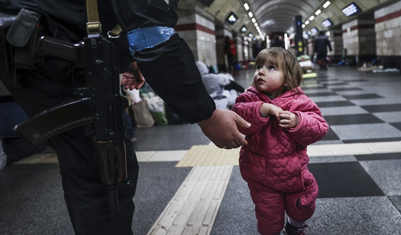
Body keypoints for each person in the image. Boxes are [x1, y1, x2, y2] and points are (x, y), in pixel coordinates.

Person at [0, 1, 250, 235]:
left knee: (93, 160)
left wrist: (124, 58)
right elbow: (153, 36)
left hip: (39, 34)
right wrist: (207, 116)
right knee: (103, 165)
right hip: (40, 41)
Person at [232, 47, 329, 235]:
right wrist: (263, 109)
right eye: (259, 66)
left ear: (289, 76)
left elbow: (320, 127)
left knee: (302, 205)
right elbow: (239, 119)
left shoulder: (300, 102)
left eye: (271, 68)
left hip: (294, 172)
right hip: (260, 172)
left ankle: (296, 226)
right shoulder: (248, 98)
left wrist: (298, 121)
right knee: (268, 214)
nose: (261, 71)